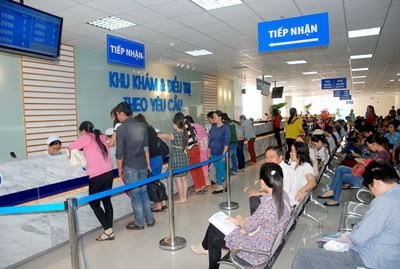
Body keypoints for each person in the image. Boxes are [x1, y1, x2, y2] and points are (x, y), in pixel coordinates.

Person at [292, 160, 400, 269]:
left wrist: (358, 227)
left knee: (303, 255)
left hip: (370, 259)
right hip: (391, 257)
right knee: (324, 246)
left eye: (371, 188)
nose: (373, 193)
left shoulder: (384, 202)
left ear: (376, 183)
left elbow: (358, 238)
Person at [191, 163, 291, 269]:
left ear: (262, 182)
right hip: (266, 242)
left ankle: (204, 247)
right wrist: (241, 223)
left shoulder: (268, 206)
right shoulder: (283, 195)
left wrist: (239, 219)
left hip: (256, 250)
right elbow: (262, 222)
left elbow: (247, 226)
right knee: (214, 231)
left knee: (213, 231)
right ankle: (204, 247)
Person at [67, 121, 114, 241]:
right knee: (106, 201)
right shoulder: (101, 136)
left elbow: (70, 148)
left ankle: (108, 230)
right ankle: (109, 229)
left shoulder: (86, 138)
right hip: (109, 172)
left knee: (93, 203)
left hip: (97, 175)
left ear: (83, 131)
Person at [318, 134, 390, 206]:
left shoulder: (382, 155)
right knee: (341, 168)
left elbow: (374, 171)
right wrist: (364, 161)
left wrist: (362, 163)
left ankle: (335, 199)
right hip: (365, 173)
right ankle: (331, 190)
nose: (369, 148)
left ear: (374, 144)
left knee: (341, 176)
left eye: (369, 146)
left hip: (367, 180)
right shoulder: (381, 153)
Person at [115, 102, 155, 230]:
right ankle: (149, 220)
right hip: (143, 164)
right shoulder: (142, 126)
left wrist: (119, 169)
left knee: (135, 195)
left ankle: (139, 223)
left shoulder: (121, 129)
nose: (117, 117)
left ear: (121, 113)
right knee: (144, 192)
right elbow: (146, 148)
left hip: (130, 166)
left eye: (117, 114)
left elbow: (119, 153)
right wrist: (148, 164)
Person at [134, 114, 168, 212]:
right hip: (158, 158)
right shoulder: (151, 129)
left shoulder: (142, 132)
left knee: (151, 183)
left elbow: (144, 148)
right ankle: (163, 202)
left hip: (151, 160)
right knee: (157, 181)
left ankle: (158, 205)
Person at [158, 113, 190, 203]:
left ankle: (181, 197)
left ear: (176, 125)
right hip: (184, 156)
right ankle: (184, 197)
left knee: (178, 179)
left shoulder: (175, 134)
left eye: (173, 123)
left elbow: (166, 136)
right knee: (184, 178)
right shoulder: (184, 132)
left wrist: (159, 135)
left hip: (177, 157)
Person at [185, 115, 211, 186]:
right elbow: (206, 135)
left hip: (199, 147)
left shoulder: (191, 127)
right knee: (204, 164)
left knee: (200, 165)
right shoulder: (199, 125)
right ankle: (206, 182)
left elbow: (196, 137)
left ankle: (205, 182)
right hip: (205, 146)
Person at [209, 110, 230, 194]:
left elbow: (227, 141)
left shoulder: (225, 128)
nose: (213, 118)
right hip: (214, 152)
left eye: (215, 117)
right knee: (217, 169)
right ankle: (220, 186)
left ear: (220, 117)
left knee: (221, 170)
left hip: (222, 152)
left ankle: (228, 183)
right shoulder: (213, 128)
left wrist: (224, 153)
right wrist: (209, 150)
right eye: (213, 117)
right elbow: (210, 140)